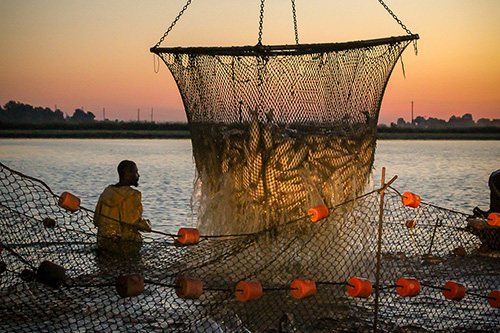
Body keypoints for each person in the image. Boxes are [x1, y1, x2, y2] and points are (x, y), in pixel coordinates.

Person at [93, 160, 152, 254]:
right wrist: (147, 226)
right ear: (128, 174)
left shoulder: (107, 192)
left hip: (104, 243)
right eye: (136, 172)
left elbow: (96, 220)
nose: (138, 175)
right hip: (124, 246)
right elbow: (133, 222)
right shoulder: (132, 195)